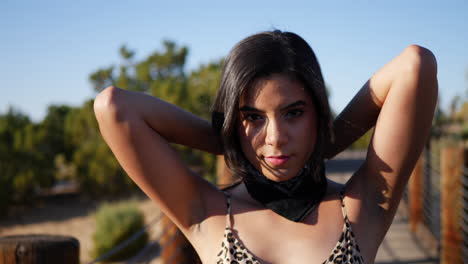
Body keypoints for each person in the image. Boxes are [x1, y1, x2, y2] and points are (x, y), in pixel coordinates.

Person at [93, 30, 438, 264]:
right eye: (253, 118)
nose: (275, 137)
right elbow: (114, 107)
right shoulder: (206, 211)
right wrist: (228, 140)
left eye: (294, 113)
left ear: (317, 111)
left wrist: (328, 142)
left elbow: (415, 65)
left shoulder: (361, 206)